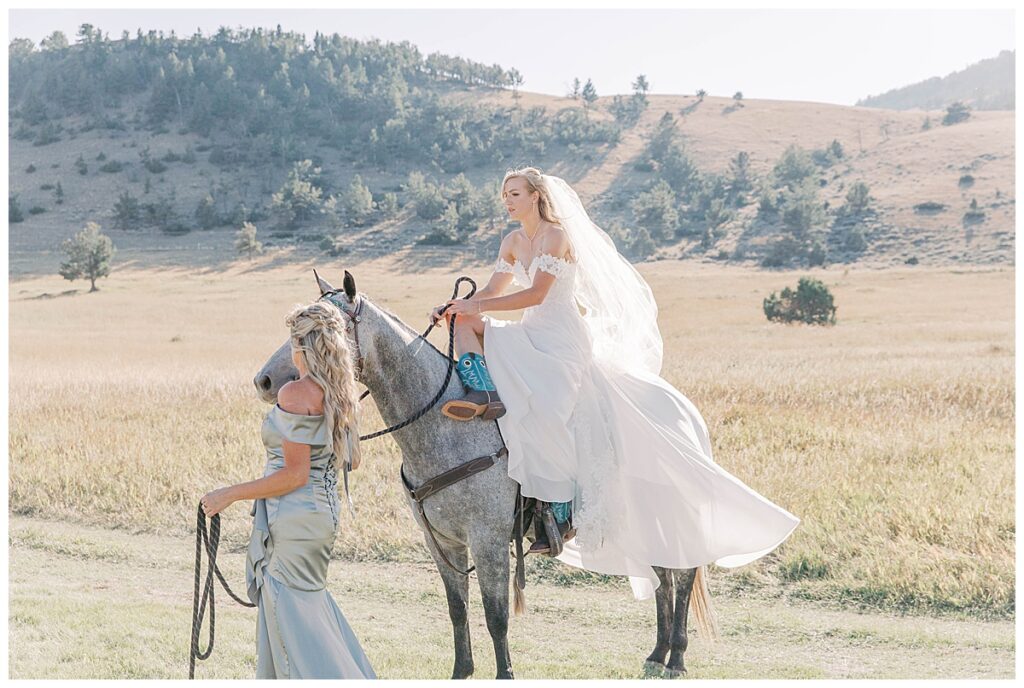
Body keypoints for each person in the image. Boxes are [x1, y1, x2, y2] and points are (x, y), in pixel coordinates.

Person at [429, 167, 799, 596]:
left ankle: (561, 506)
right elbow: (494, 290)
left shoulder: (555, 237)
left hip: (561, 338)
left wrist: (472, 306)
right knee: (464, 323)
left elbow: (535, 296)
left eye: (514, 193)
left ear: (535, 196)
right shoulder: (511, 242)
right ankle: (483, 393)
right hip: (530, 332)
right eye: (504, 194)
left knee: (548, 408)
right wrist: (457, 306)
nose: (507, 201)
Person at [201, 300, 376, 679]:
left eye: (292, 342)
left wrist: (228, 494)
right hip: (323, 518)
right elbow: (352, 461)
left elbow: (294, 475)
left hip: (294, 517)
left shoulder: (296, 394)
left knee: (289, 618)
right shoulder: (341, 393)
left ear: (303, 346)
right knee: (306, 611)